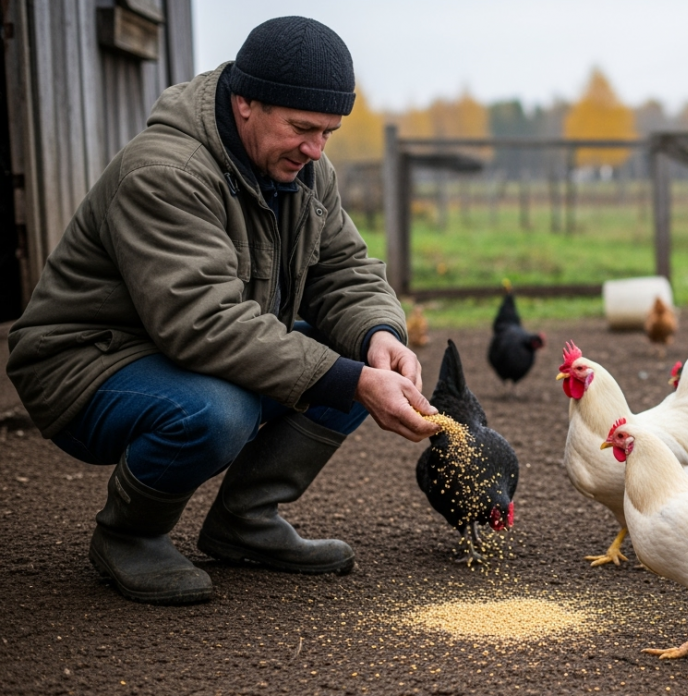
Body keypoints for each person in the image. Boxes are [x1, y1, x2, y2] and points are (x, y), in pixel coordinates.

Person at [4, 17, 441, 605]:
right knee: (222, 409)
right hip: (84, 365)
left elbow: (344, 270)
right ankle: (128, 535)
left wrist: (378, 336)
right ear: (244, 103)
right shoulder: (165, 173)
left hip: (177, 349)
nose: (315, 149)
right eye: (301, 128)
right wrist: (354, 379)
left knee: (353, 360)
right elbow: (202, 322)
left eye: (328, 134)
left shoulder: (303, 169)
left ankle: (245, 523)